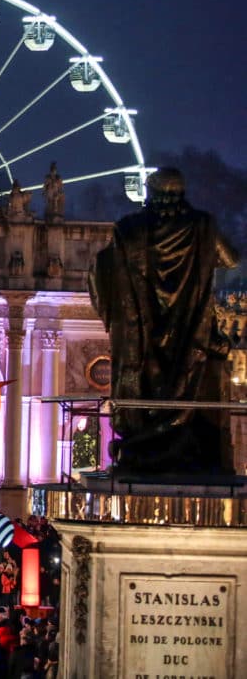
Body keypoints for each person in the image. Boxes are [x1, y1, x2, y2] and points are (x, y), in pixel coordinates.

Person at [89, 167, 240, 473]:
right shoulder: (201, 225)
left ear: (150, 191)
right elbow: (231, 259)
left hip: (142, 339)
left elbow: (101, 273)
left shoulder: (129, 229)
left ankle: (142, 443)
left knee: (139, 390)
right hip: (189, 338)